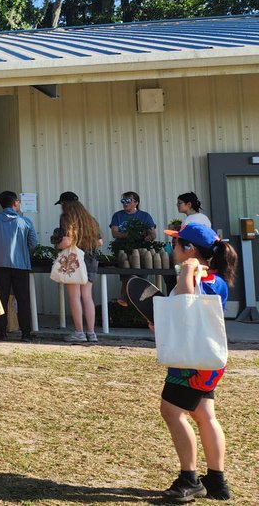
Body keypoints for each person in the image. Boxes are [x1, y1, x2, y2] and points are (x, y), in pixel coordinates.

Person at [154, 222, 236, 502]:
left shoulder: (198, 277)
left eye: (175, 243)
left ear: (189, 248)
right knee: (204, 416)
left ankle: (189, 479)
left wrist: (188, 270)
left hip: (192, 361)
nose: (171, 247)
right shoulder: (215, 278)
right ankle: (216, 480)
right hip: (207, 358)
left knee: (172, 411)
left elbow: (187, 308)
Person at [0, 191, 38, 341]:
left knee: (1, 298)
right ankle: (26, 334)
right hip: (21, 265)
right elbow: (33, 244)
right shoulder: (26, 222)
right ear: (15, 203)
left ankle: (2, 332)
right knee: (23, 300)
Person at [54, 196, 103, 343]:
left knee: (74, 296)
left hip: (74, 261)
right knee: (87, 296)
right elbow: (99, 242)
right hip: (91, 260)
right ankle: (92, 333)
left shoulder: (66, 218)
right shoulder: (90, 219)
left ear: (64, 204)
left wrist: (57, 246)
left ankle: (79, 332)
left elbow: (67, 242)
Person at [111, 191, 157, 302]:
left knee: (141, 280)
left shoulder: (145, 216)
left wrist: (147, 238)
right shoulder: (118, 215)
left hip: (141, 251)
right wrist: (131, 235)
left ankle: (139, 306)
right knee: (126, 279)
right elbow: (115, 233)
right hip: (123, 251)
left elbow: (153, 234)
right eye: (123, 201)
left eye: (128, 201)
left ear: (136, 203)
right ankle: (124, 305)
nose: (125, 203)